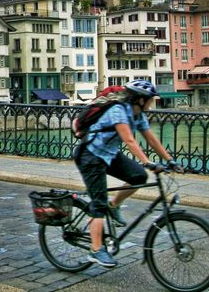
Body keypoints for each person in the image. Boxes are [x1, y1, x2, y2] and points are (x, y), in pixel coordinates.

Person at [74, 80, 182, 268]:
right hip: (90, 156)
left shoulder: (138, 114)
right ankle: (96, 250)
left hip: (109, 154)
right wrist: (148, 162)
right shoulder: (118, 110)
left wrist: (170, 160)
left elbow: (151, 139)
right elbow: (129, 140)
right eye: (149, 99)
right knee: (98, 204)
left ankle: (113, 205)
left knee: (139, 176)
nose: (151, 103)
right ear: (140, 99)